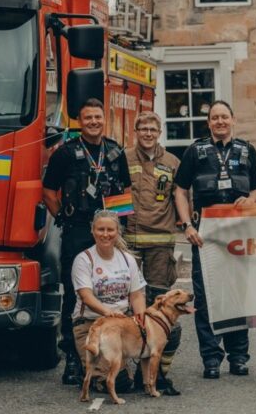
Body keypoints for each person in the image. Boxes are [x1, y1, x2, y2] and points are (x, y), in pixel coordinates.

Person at [43, 98, 131, 385]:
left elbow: (125, 191)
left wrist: (118, 229)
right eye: (88, 117)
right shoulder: (65, 153)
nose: (93, 122)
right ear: (79, 121)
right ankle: (72, 356)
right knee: (75, 293)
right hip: (78, 230)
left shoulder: (116, 151)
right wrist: (64, 220)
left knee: (114, 288)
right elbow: (48, 191)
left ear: (104, 119)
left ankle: (113, 354)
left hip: (109, 232)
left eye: (98, 117)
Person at [173, 100, 256, 379]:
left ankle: (238, 357)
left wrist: (250, 200)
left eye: (224, 117)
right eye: (215, 117)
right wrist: (187, 225)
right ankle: (211, 358)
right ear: (209, 122)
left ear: (233, 120)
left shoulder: (247, 151)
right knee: (206, 297)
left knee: (237, 295)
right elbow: (179, 190)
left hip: (238, 235)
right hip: (205, 236)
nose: (220, 121)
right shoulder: (195, 151)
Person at [124, 111, 182, 395]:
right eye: (143, 128)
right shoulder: (124, 158)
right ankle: (130, 372)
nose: (147, 133)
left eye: (152, 129)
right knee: (132, 310)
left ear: (159, 131)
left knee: (162, 311)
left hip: (161, 243)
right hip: (131, 242)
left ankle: (159, 375)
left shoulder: (172, 162)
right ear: (136, 131)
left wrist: (189, 224)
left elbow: (180, 197)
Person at [71, 210, 146, 391]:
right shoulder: (83, 259)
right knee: (119, 384)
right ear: (93, 231)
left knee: (170, 330)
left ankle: (146, 375)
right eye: (101, 229)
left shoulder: (128, 259)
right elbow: (86, 296)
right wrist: (107, 312)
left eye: (110, 230)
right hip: (92, 325)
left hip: (122, 324)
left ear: (117, 232)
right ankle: (92, 369)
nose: (105, 234)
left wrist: (142, 321)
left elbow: (136, 295)